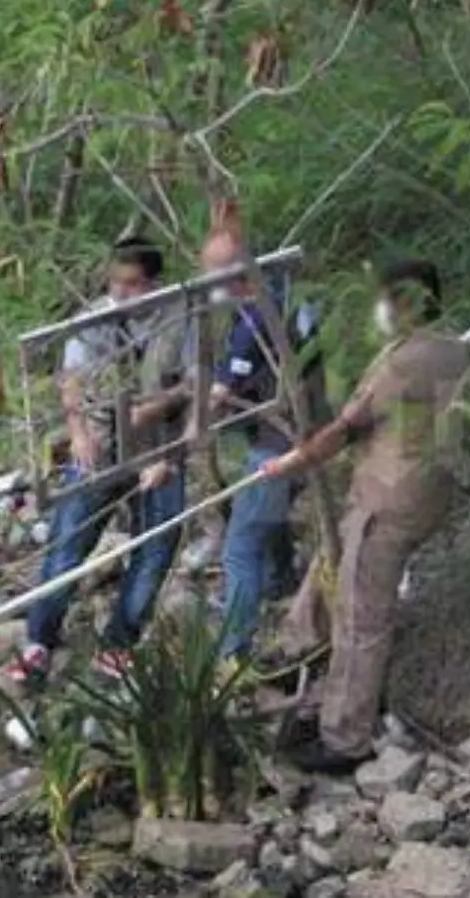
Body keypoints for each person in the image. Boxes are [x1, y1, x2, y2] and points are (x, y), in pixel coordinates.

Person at [260, 259, 470, 775]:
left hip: (388, 501)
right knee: (329, 570)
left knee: (361, 615)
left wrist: (291, 462)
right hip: (419, 496)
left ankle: (344, 736)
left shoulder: (405, 361)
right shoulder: (455, 347)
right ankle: (304, 660)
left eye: (387, 299)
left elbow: (346, 428)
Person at [4, 236, 192, 684]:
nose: (121, 293)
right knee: (69, 543)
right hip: (102, 438)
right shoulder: (94, 316)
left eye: (132, 285)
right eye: (115, 282)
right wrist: (79, 434)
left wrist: (158, 407)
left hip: (158, 444)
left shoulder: (181, 316)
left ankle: (118, 644)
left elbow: (194, 382)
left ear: (153, 283)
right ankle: (38, 641)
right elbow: (70, 380)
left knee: (156, 545)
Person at [196, 229, 328, 662]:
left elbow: (219, 393)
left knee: (241, 545)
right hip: (312, 433)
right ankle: (279, 585)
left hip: (280, 442)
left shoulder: (254, 318)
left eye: (210, 274)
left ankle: (235, 651)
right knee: (265, 519)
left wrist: (187, 431)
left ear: (231, 274)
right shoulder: (291, 295)